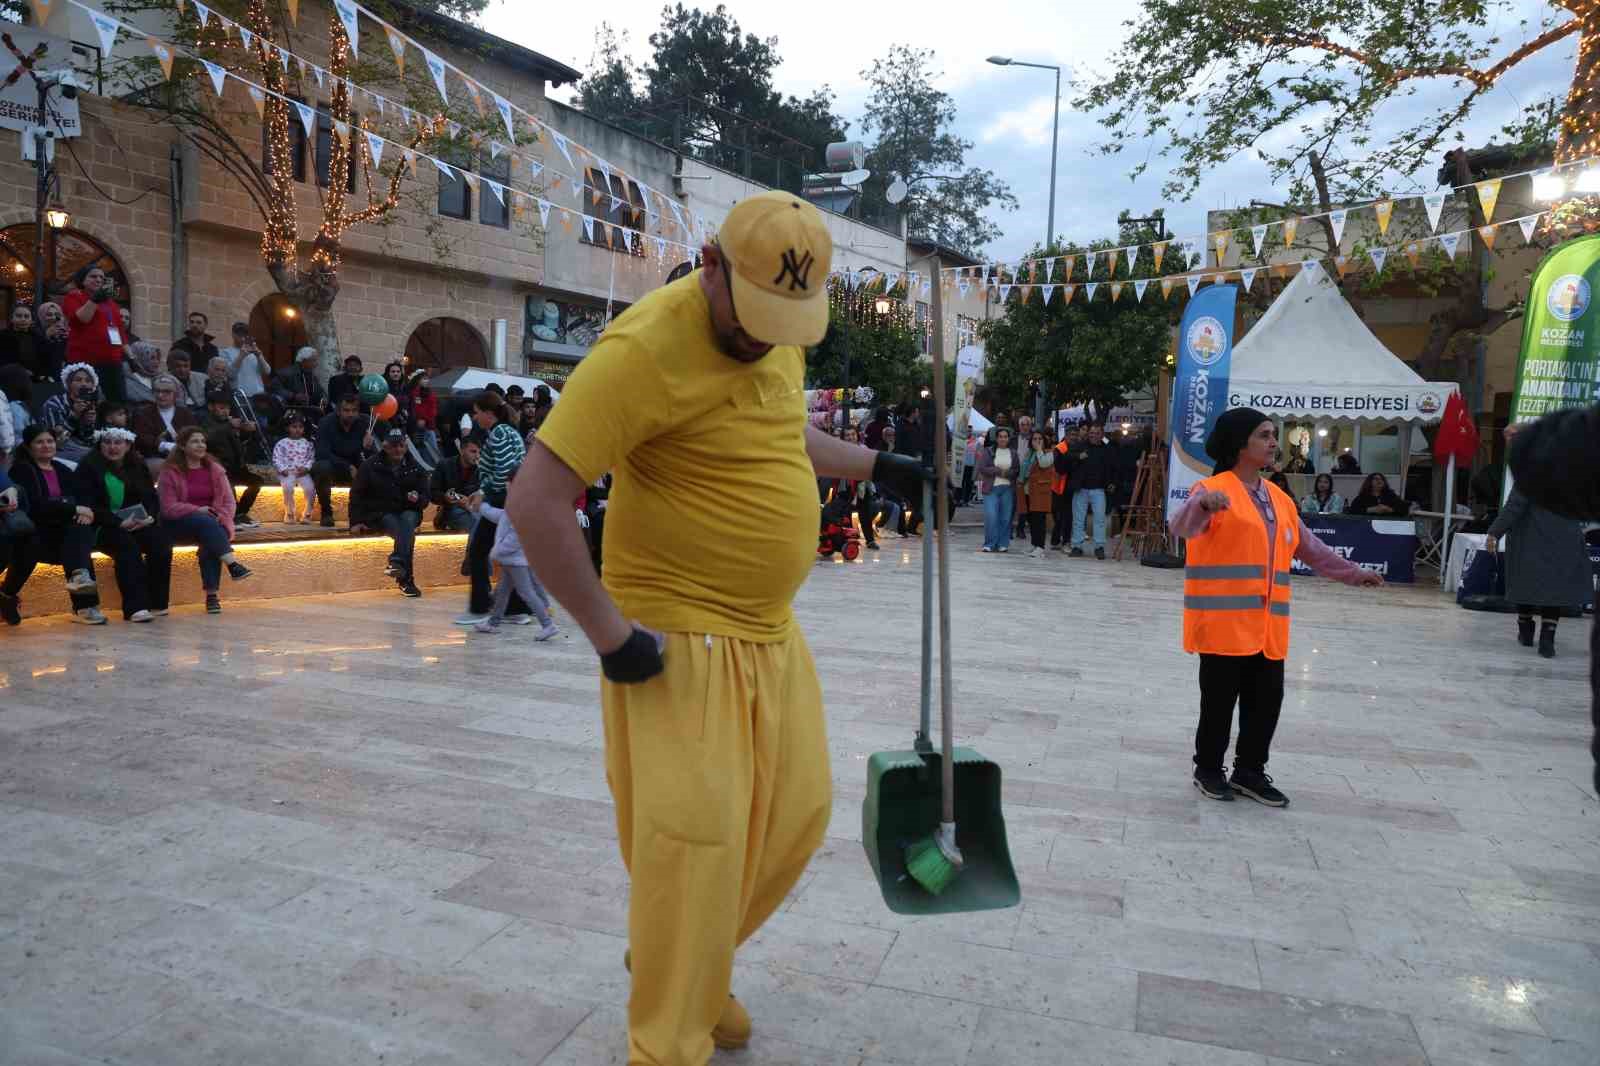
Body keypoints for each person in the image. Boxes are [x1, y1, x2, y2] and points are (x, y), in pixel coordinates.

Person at [504, 190, 930, 1066]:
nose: (767, 337)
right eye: (757, 315)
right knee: (695, 842)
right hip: (674, 635)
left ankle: (687, 961)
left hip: (769, 629)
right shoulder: (641, 351)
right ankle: (668, 1036)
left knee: (797, 814)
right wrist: (612, 637)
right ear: (710, 267)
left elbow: (781, 433)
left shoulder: (772, 336)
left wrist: (883, 462)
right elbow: (536, 499)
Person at [1170, 407, 1384, 808]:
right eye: (1265, 435)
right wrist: (1202, 507)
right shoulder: (1212, 490)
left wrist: (1354, 573)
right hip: (1223, 623)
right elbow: (1180, 528)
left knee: (1266, 704)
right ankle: (1208, 769)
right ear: (1240, 443)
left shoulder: (1278, 498)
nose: (1273, 443)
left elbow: (1310, 548)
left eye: (1273, 435)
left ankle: (1250, 771)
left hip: (1268, 628)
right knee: (1218, 704)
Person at [1504, 406, 1600, 794]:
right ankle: (1538, 634)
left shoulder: (1548, 476)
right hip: (1557, 547)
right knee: (1549, 593)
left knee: (1535, 589)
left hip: (1542, 548)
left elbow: (1537, 467)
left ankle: (1534, 632)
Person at [2, 424, 105, 623]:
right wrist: (74, 509)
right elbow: (36, 506)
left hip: (64, 529)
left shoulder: (62, 468)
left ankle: (85, 604)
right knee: (75, 542)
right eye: (39, 442)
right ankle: (7, 595)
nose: (46, 445)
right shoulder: (22, 470)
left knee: (80, 531)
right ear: (29, 446)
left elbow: (80, 496)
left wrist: (84, 511)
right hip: (35, 530)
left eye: (49, 441)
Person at [75, 427, 171, 622]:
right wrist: (118, 522)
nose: (113, 447)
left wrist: (150, 517)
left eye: (118, 443)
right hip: (101, 525)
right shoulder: (88, 466)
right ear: (99, 444)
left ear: (128, 445)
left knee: (160, 543)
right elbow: (88, 504)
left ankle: (157, 602)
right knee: (127, 546)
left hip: (135, 521)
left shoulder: (137, 464)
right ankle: (135, 607)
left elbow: (151, 498)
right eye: (107, 442)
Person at [158, 426, 252, 613]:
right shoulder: (170, 472)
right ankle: (232, 565)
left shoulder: (215, 470)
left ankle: (211, 596)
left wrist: (222, 518)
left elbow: (228, 502)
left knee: (210, 538)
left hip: (212, 523)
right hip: (179, 522)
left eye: (202, 441)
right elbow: (168, 507)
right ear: (183, 446)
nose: (200, 445)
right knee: (206, 523)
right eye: (195, 441)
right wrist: (198, 510)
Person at [458, 392, 530, 625]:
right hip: (513, 499)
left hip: (502, 500)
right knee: (508, 554)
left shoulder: (499, 433)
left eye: (477, 412)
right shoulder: (508, 432)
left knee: (479, 551)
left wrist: (483, 492)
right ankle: (516, 609)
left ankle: (480, 607)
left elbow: (503, 472)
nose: (475, 417)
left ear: (488, 413)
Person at [468, 491, 558, 637]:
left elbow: (514, 540)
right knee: (502, 593)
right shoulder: (511, 512)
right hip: (511, 561)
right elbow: (495, 514)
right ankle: (492, 623)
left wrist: (495, 553)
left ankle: (548, 625)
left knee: (526, 592)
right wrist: (481, 506)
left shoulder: (522, 517)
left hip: (517, 562)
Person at [350, 428, 426, 597]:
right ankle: (406, 580)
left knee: (407, 521)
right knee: (403, 530)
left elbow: (425, 497)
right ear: (384, 446)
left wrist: (417, 498)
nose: (397, 449)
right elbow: (356, 494)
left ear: (406, 446)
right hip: (381, 512)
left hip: (409, 510)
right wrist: (355, 522)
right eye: (393, 446)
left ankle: (397, 563)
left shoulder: (415, 467)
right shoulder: (370, 465)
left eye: (400, 445)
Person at [61, 265, 126, 401]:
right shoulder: (73, 297)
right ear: (83, 280)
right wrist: (95, 300)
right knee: (86, 401)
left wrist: (131, 357)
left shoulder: (110, 303)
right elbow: (82, 319)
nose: (98, 280)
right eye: (93, 276)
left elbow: (120, 332)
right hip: (85, 361)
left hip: (112, 361)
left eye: (101, 277)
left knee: (118, 402)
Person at [312, 395, 378, 528]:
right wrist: (347, 466)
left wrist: (368, 448)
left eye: (354, 410)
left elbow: (374, 456)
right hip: (335, 466)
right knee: (321, 467)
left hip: (357, 466)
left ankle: (366, 516)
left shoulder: (365, 423)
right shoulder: (326, 423)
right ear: (338, 411)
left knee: (375, 470)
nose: (350, 414)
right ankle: (326, 512)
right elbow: (322, 453)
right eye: (346, 410)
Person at [200, 387, 262, 527]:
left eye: (227, 408)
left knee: (257, 482)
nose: (226, 411)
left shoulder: (228, 423)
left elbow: (240, 444)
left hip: (235, 466)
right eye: (221, 408)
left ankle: (240, 513)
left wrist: (249, 432)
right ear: (211, 407)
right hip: (218, 468)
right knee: (229, 485)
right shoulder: (206, 422)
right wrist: (229, 425)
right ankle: (233, 516)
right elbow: (209, 436)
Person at [41, 363, 102, 462]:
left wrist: (88, 423)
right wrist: (75, 415)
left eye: (88, 381)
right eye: (78, 380)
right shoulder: (54, 403)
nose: (84, 384)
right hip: (59, 451)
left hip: (83, 449)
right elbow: (58, 441)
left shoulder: (92, 403)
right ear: (68, 384)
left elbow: (87, 440)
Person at [1069, 421, 1113, 559]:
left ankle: (1099, 547)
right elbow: (1067, 459)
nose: (1093, 436)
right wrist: (1078, 456)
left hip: (1099, 489)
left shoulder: (1107, 449)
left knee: (1100, 519)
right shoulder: (1080, 446)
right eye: (1091, 433)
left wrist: (1112, 483)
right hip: (1080, 489)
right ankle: (1077, 546)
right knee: (1078, 519)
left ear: (1102, 435)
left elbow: (1112, 468)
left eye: (1097, 433)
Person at [132, 375, 199, 461]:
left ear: (176, 394)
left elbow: (195, 435)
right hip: (154, 457)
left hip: (184, 457)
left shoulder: (186, 414)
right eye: (157, 391)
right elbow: (140, 438)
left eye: (166, 391)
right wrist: (162, 445)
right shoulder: (142, 413)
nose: (160, 395)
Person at [977, 426, 1018, 552]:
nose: (1003, 439)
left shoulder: (1013, 453)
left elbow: (1016, 470)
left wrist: (1008, 474)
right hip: (991, 488)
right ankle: (989, 543)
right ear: (996, 438)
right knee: (991, 516)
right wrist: (999, 471)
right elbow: (982, 467)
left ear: (1008, 439)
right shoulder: (989, 451)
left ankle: (1003, 543)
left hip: (1007, 489)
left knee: (1005, 517)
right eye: (1000, 437)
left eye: (1005, 437)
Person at [272, 412, 317, 523]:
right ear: (288, 428)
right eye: (294, 427)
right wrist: (282, 469)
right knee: (287, 488)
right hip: (287, 472)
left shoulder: (308, 444)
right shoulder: (282, 443)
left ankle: (307, 514)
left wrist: (306, 468)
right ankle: (290, 513)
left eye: (300, 427)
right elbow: (276, 458)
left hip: (303, 473)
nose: (297, 429)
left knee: (310, 489)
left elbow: (311, 458)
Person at [429, 437, 480, 532]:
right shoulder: (444, 465)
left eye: (479, 452)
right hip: (451, 510)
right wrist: (445, 497)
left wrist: (470, 501)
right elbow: (432, 493)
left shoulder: (481, 469)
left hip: (474, 510)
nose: (477, 456)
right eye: (473, 452)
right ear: (462, 451)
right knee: (476, 525)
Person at [1018, 429, 1055, 557]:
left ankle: (1040, 547)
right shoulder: (1029, 453)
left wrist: (1039, 449)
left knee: (1039, 520)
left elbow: (1043, 464)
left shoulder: (1049, 453)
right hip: (1029, 491)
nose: (1037, 441)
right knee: (1032, 520)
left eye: (1040, 439)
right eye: (1034, 439)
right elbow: (1024, 469)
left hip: (1041, 492)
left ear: (1045, 441)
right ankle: (1034, 545)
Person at [222, 323, 272, 401]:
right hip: (240, 396)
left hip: (258, 395)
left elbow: (267, 371)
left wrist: (259, 355)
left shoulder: (254, 352)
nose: (242, 337)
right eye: (239, 334)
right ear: (233, 334)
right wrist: (241, 356)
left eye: (245, 334)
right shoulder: (225, 352)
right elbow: (230, 375)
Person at [273, 347, 327, 416]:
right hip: (290, 413)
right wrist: (293, 396)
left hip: (309, 412)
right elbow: (274, 389)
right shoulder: (286, 373)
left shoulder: (312, 376)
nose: (316, 364)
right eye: (314, 360)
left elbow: (320, 392)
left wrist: (323, 399)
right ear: (304, 361)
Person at [0, 304, 45, 380]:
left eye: (26, 316)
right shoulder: (2, 336)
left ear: (31, 320)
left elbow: (44, 359)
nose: (23, 319)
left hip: (35, 380)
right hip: (8, 380)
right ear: (12, 318)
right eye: (19, 316)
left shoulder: (38, 337)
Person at [1050, 426, 1076, 550]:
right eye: (1071, 434)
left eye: (1075, 435)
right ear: (1065, 435)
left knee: (1067, 516)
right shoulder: (1059, 449)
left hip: (1070, 487)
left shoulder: (1076, 448)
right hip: (1059, 487)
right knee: (1059, 515)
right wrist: (1074, 459)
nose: (1073, 437)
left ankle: (1064, 541)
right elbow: (1060, 468)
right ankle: (1056, 540)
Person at [406, 369, 440, 461]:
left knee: (432, 451)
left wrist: (425, 419)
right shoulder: (414, 393)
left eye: (427, 379)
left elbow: (433, 411)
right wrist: (419, 419)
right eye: (423, 379)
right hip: (417, 427)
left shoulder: (431, 394)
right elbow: (415, 408)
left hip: (428, 427)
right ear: (418, 380)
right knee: (419, 452)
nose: (426, 381)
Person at [31, 301, 68, 383]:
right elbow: (37, 356)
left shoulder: (63, 333)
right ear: (41, 316)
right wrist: (46, 336)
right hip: (40, 378)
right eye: (49, 315)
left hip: (59, 377)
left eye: (56, 315)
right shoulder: (34, 332)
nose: (53, 317)